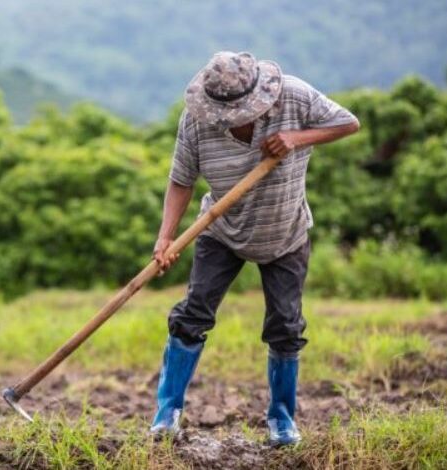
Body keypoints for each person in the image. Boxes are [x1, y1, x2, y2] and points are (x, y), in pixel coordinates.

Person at [150, 51, 360, 446]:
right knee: (192, 315)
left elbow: (348, 122)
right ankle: (167, 414)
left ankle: (282, 420)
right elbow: (181, 179)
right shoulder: (196, 120)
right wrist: (165, 237)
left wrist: (296, 138)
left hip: (285, 232)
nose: (231, 120)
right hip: (221, 230)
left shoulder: (295, 97)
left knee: (285, 326)